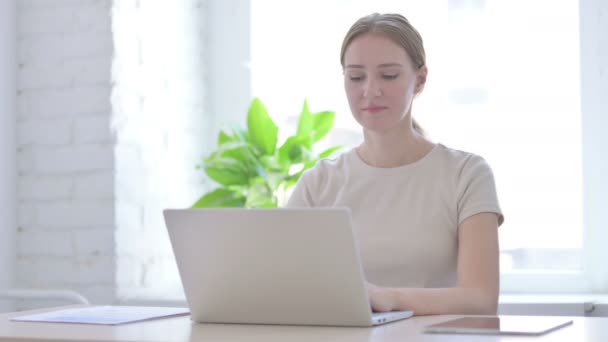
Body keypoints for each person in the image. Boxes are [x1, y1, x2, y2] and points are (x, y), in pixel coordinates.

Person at [286, 13, 504, 316]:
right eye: (356, 77)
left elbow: (480, 298)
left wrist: (385, 297)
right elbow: (282, 286)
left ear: (420, 80)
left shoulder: (467, 174)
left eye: (388, 76)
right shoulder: (319, 182)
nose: (370, 90)